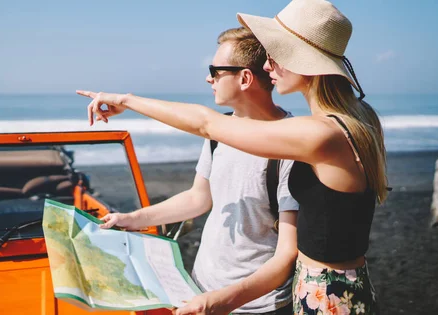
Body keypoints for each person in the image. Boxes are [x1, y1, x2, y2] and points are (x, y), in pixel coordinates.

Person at [78, 0, 386, 314]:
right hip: (332, 287)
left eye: (276, 54)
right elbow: (204, 179)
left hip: (328, 296)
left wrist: (125, 100)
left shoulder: (319, 135)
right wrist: (132, 220)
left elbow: (205, 123)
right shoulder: (357, 117)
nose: (268, 66)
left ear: (302, 61)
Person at [97, 27, 299, 315]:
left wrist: (224, 301)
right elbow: (198, 199)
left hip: (256, 306)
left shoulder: (292, 147)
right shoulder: (219, 133)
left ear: (244, 78)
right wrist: (132, 219)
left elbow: (286, 256)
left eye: (215, 71)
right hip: (199, 289)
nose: (208, 78)